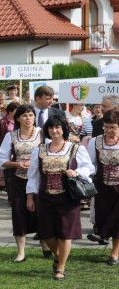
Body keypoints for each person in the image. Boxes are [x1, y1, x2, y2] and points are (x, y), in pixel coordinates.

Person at [26, 113, 94, 280]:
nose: (54, 130)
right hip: (45, 195)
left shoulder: (76, 148)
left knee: (65, 233)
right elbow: (33, 174)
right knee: (46, 233)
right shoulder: (39, 150)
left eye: (57, 127)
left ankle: (61, 267)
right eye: (51, 127)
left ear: (63, 129)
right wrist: (29, 195)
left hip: (68, 197)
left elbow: (90, 168)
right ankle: (59, 256)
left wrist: (76, 171)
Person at [0, 105, 41, 262]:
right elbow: (2, 160)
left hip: (39, 179)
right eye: (24, 116)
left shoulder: (42, 133)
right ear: (17, 118)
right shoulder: (11, 136)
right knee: (18, 213)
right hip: (18, 180)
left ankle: (45, 244)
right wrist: (17, 164)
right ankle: (21, 251)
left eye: (30, 115)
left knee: (40, 212)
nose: (28, 118)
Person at [88, 110, 119, 264]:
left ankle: (114, 253)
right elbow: (90, 164)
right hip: (101, 185)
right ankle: (103, 235)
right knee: (104, 215)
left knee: (117, 217)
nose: (109, 131)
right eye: (106, 127)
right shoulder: (95, 141)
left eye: (113, 127)